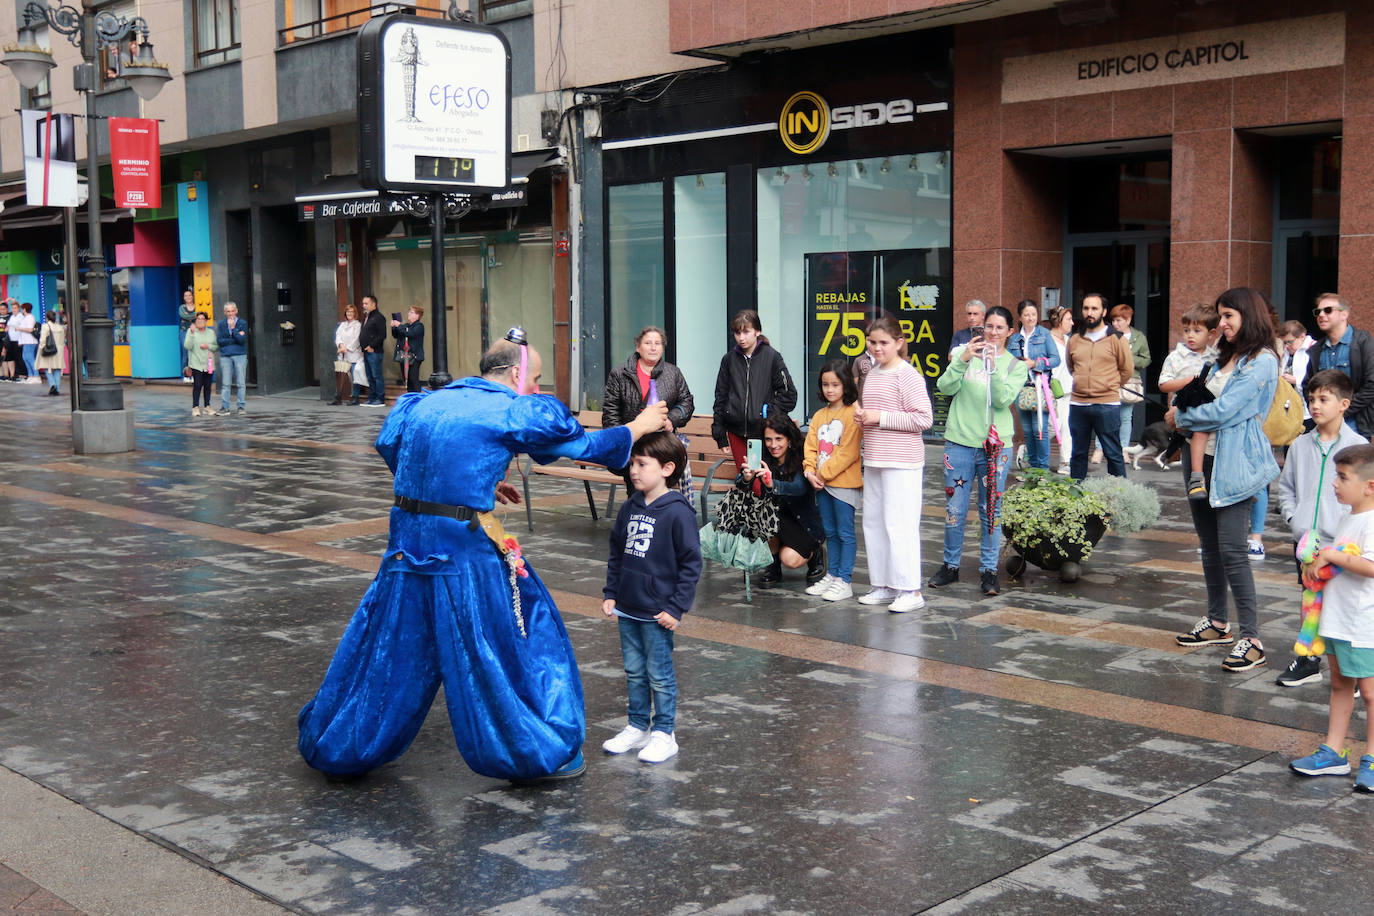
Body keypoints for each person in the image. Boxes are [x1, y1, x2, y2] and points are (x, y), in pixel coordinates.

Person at [298, 332, 671, 782]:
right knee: (519, 633)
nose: (535, 388)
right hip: (461, 547)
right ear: (515, 374)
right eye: (533, 380)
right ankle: (534, 749)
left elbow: (395, 449)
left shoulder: (424, 403)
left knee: (391, 646)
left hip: (407, 542)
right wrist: (640, 425)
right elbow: (583, 449)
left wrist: (472, 483)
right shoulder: (511, 407)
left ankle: (343, 742)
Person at [1171, 287, 1280, 672]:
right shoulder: (1223, 357)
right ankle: (1218, 622)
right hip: (1200, 458)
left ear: (1248, 316)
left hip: (1234, 462)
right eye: (1220, 316)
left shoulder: (1262, 361)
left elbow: (1224, 411)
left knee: (1233, 550)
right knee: (1209, 546)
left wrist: (1180, 417)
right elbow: (1197, 396)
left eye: (1229, 316)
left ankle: (1252, 638)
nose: (1223, 324)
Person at [600, 431, 701, 765]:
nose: (634, 470)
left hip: (658, 613)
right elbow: (617, 552)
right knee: (633, 670)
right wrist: (611, 592)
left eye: (643, 464)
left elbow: (691, 565)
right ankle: (638, 726)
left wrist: (676, 608)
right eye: (632, 463)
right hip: (628, 608)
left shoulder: (678, 512)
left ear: (667, 468)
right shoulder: (630, 506)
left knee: (659, 673)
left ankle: (664, 733)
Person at [1288, 443, 1374, 792]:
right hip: (1339, 619)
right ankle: (1334, 751)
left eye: (1342, 477)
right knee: (1340, 685)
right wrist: (1317, 564)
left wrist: (1331, 555)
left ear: (1370, 485)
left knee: (1369, 692)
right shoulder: (1348, 517)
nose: (1335, 484)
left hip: (1363, 625)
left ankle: (1371, 757)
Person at [1275, 370, 1366, 688]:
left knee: (1344, 603)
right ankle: (1309, 659)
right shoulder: (1300, 445)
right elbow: (1286, 488)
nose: (1315, 405)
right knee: (1309, 598)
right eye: (1311, 398)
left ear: (1344, 403)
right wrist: (1293, 519)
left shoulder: (1358, 447)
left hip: (1342, 545)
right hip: (1305, 541)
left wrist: (1346, 535)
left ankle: (1352, 670)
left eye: (1323, 399)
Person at [930, 305, 1024, 596]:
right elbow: (944, 387)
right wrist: (963, 359)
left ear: (1010, 332)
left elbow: (1001, 400)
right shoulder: (964, 354)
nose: (992, 333)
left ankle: (989, 570)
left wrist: (992, 366)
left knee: (990, 511)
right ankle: (950, 566)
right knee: (955, 509)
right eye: (989, 327)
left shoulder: (1015, 365)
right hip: (959, 442)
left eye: (999, 328)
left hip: (996, 448)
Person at [855, 315, 933, 613]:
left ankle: (910, 589)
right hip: (875, 457)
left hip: (902, 461)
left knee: (899, 525)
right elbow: (876, 411)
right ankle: (884, 584)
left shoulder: (908, 375)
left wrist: (879, 418)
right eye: (872, 342)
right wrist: (864, 417)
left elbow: (924, 419)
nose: (876, 348)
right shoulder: (873, 372)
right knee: (874, 523)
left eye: (883, 343)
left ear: (899, 343)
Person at [711, 309, 798, 492]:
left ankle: (766, 520)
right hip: (735, 432)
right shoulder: (728, 360)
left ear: (757, 331)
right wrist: (719, 433)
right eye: (737, 333)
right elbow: (720, 397)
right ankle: (751, 519)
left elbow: (789, 395)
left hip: (761, 433)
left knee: (760, 483)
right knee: (746, 482)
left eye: (746, 332)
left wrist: (766, 411)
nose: (741, 338)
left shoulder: (772, 357)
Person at [603, 325, 695, 490]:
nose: (653, 347)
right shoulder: (619, 374)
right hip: (634, 446)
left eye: (658, 343)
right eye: (648, 343)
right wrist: (623, 439)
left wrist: (672, 419)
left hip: (662, 446)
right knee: (638, 494)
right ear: (638, 347)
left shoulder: (673, 373)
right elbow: (611, 414)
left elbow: (687, 402)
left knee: (660, 496)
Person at [803, 360, 863, 602]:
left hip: (844, 484)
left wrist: (820, 474)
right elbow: (810, 447)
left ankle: (845, 580)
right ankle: (833, 575)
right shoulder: (819, 415)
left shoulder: (853, 414)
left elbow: (848, 452)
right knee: (830, 531)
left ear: (846, 385)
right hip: (822, 485)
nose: (830, 389)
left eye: (835, 384)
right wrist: (809, 471)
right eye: (825, 384)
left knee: (845, 532)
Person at [1157, 303, 1220, 500]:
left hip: (1207, 406)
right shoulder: (1176, 357)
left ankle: (1176, 452)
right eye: (1186, 330)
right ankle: (1188, 466)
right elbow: (1163, 384)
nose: (1190, 335)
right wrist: (1190, 381)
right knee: (1190, 435)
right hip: (1183, 405)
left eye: (1196, 331)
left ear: (1211, 334)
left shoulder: (1215, 357)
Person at [1066, 294, 1132, 479]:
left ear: (1103, 312)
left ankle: (1119, 498)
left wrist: (1108, 385)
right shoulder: (1075, 339)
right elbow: (1071, 367)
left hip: (1106, 404)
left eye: (1094, 308)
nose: (1089, 312)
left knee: (1113, 453)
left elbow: (1126, 369)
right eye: (1086, 308)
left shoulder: (1116, 339)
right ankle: (1076, 498)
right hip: (1078, 404)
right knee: (1078, 454)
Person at [1306, 293, 1374, 438]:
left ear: (1344, 314)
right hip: (1323, 429)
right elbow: (1308, 386)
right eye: (1318, 312)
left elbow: (1371, 385)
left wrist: (1340, 410)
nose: (1321, 315)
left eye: (1328, 310)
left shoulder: (1363, 342)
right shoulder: (1317, 349)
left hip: (1356, 426)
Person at [1007, 299, 1061, 471]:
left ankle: (1043, 469)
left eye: (1033, 314)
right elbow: (1007, 362)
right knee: (1028, 431)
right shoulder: (1014, 338)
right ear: (1020, 317)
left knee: (1041, 430)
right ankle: (1033, 467)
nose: (1030, 318)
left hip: (1040, 387)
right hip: (1020, 388)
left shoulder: (1044, 334)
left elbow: (1055, 359)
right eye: (1026, 315)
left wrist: (1035, 363)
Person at [1109, 303, 1151, 449]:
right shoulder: (1107, 335)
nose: (1115, 324)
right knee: (1107, 416)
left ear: (1128, 320)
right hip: (1109, 380)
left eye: (1118, 320)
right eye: (1113, 320)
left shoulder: (1139, 337)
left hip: (1129, 381)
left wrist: (1130, 360)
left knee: (1126, 417)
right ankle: (1100, 449)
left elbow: (1146, 359)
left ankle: (1123, 449)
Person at [1047, 306, 1075, 474]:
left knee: (1066, 426)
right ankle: (1028, 450)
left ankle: (1065, 461)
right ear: (1058, 321)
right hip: (1052, 389)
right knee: (1052, 426)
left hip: (1069, 388)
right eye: (1068, 319)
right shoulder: (1047, 339)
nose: (1072, 322)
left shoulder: (1070, 339)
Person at [1280, 319, 1316, 430]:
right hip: (1289, 410)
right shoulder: (1286, 353)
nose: (1286, 346)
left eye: (1289, 342)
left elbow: (1319, 379)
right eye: (1284, 342)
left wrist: (1297, 381)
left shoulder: (1314, 350)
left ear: (1302, 336)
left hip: (1308, 412)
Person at [216, 301, 249, 416]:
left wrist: (233, 329)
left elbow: (242, 340)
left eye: (232, 311)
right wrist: (235, 337)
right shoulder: (221, 324)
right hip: (226, 356)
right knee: (225, 383)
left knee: (241, 382)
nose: (230, 313)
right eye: (228, 311)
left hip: (240, 355)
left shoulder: (242, 323)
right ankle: (225, 407)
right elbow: (220, 341)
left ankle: (241, 406)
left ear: (236, 311)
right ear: (225, 312)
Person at [183, 311, 218, 417]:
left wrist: (208, 346)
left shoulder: (211, 332)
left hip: (209, 363)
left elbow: (216, 346)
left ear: (206, 321)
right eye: (198, 319)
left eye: (203, 319)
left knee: (208, 386)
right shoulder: (191, 331)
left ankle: (207, 406)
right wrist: (193, 334)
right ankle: (195, 407)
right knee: (197, 385)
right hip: (196, 363)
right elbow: (187, 346)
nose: (200, 321)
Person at [358, 294, 387, 406]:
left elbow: (382, 335)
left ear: (373, 304)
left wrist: (372, 346)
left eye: (366, 304)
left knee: (376, 375)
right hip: (366, 351)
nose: (364, 306)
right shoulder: (367, 317)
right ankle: (372, 397)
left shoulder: (379, 317)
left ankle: (380, 398)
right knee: (370, 376)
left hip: (374, 352)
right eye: (363, 303)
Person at [331, 304, 362, 406]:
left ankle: (355, 398)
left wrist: (346, 348)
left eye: (352, 312)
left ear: (355, 313)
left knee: (354, 377)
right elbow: (338, 336)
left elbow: (356, 339)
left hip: (353, 354)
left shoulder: (358, 325)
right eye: (348, 312)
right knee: (340, 377)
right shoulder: (342, 325)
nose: (349, 313)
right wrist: (341, 345)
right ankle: (338, 397)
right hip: (343, 355)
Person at [391, 306, 426, 393]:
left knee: (413, 377)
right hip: (404, 355)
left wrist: (399, 325)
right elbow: (396, 335)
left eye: (411, 312)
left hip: (414, 356)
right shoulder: (406, 326)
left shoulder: (419, 326)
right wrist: (394, 327)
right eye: (409, 312)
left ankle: (417, 397)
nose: (409, 314)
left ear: (417, 316)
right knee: (406, 378)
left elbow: (411, 333)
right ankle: (410, 395)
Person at [34, 310, 65, 396]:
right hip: (59, 350)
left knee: (47, 367)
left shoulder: (45, 326)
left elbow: (42, 340)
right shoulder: (60, 327)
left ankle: (53, 384)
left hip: (49, 349)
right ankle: (57, 388)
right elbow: (63, 340)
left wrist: (41, 348)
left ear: (47, 317)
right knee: (57, 368)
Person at [12, 303, 37, 383]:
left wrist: (19, 328)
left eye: (22, 309)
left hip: (30, 341)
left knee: (30, 359)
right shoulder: (26, 318)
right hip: (26, 341)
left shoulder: (30, 317)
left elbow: (30, 329)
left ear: (25, 309)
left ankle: (36, 375)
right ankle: (31, 375)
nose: (22, 310)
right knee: (25, 358)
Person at [177, 289, 197, 380]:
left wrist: (192, 316)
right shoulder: (182, 307)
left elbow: (199, 315)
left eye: (190, 295)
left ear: (192, 296)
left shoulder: (197, 306)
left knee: (194, 353)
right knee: (185, 354)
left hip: (195, 331)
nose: (188, 297)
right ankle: (185, 375)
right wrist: (194, 316)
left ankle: (193, 375)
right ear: (184, 298)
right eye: (186, 296)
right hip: (184, 331)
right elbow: (184, 316)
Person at [0, 301, 12, 382]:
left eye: (4, 309)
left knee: (8, 357)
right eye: (0, 309)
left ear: (7, 309)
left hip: (7, 339)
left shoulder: (10, 316)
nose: (2, 311)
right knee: (1, 359)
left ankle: (11, 375)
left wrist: (10, 300)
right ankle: (3, 375)